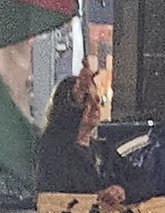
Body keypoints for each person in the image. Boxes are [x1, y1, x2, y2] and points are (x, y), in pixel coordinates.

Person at [34, 71, 153, 205]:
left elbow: (143, 182)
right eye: (86, 100)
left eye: (97, 100)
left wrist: (123, 191)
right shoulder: (53, 151)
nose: (95, 107)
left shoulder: (104, 151)